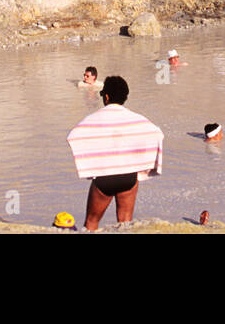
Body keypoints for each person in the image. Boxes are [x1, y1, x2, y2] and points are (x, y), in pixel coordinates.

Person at [66, 76, 163, 231]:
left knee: (91, 222)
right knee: (125, 224)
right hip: (129, 177)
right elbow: (157, 133)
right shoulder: (136, 118)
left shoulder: (94, 118)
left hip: (105, 178)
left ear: (106, 97)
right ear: (125, 97)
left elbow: (73, 136)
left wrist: (94, 159)